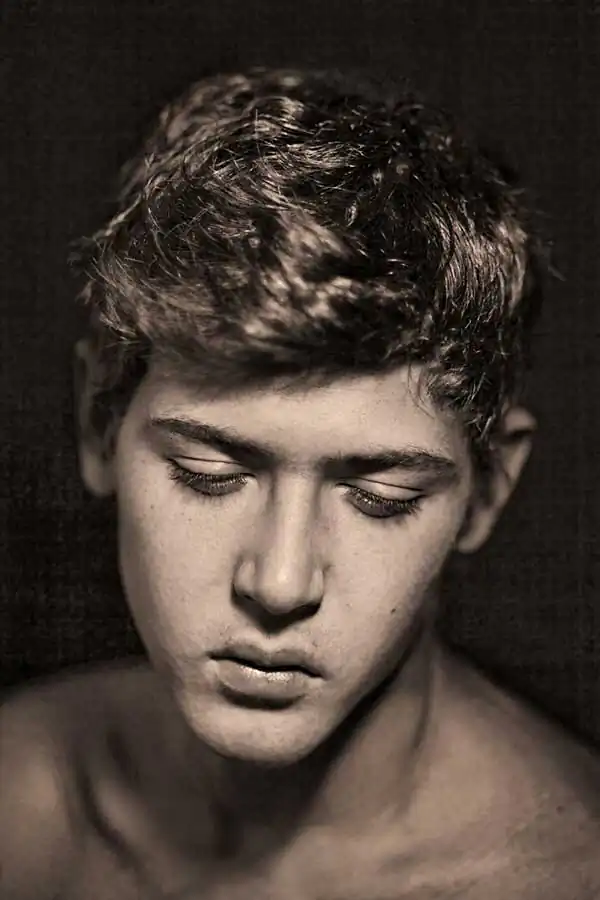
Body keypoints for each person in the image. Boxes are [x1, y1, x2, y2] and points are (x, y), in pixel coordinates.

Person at [1, 68, 599, 900]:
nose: (279, 584)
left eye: (380, 497)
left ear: (489, 488)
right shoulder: (21, 800)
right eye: (209, 475)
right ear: (99, 423)